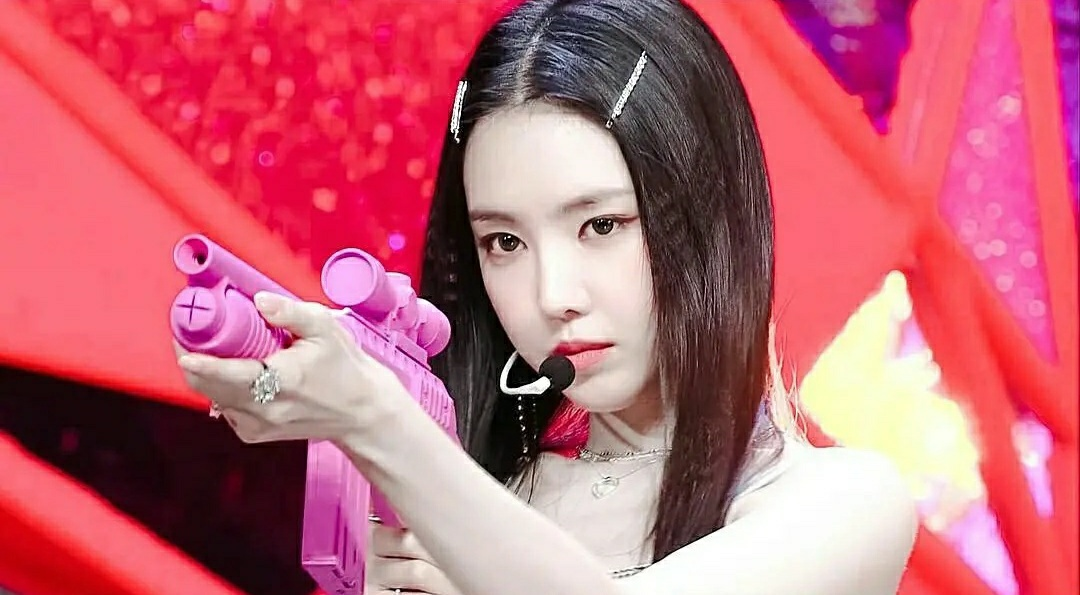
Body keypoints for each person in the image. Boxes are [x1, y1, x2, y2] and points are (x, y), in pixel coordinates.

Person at [175, 0, 919, 593]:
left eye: (601, 225)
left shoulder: (843, 505)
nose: (552, 295)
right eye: (504, 242)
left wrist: (378, 422)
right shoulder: (469, 511)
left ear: (707, 216)